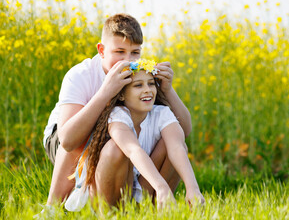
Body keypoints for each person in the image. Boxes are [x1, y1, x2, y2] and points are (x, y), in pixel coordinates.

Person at [42, 13, 192, 207]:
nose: (127, 60)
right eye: (119, 52)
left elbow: (184, 130)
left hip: (121, 134)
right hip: (66, 138)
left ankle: (145, 205)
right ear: (102, 50)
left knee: (170, 141)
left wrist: (168, 90)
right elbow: (68, 140)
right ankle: (53, 206)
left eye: (135, 53)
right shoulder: (81, 74)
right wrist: (106, 92)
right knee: (100, 139)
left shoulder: (142, 75)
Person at [64, 60, 204, 211]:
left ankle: (152, 209)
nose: (147, 90)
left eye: (151, 83)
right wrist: (161, 186)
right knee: (114, 149)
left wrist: (192, 188)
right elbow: (133, 150)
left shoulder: (162, 113)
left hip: (141, 189)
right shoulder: (117, 115)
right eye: (138, 85)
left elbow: (176, 148)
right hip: (107, 193)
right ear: (122, 95)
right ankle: (111, 214)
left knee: (176, 144)